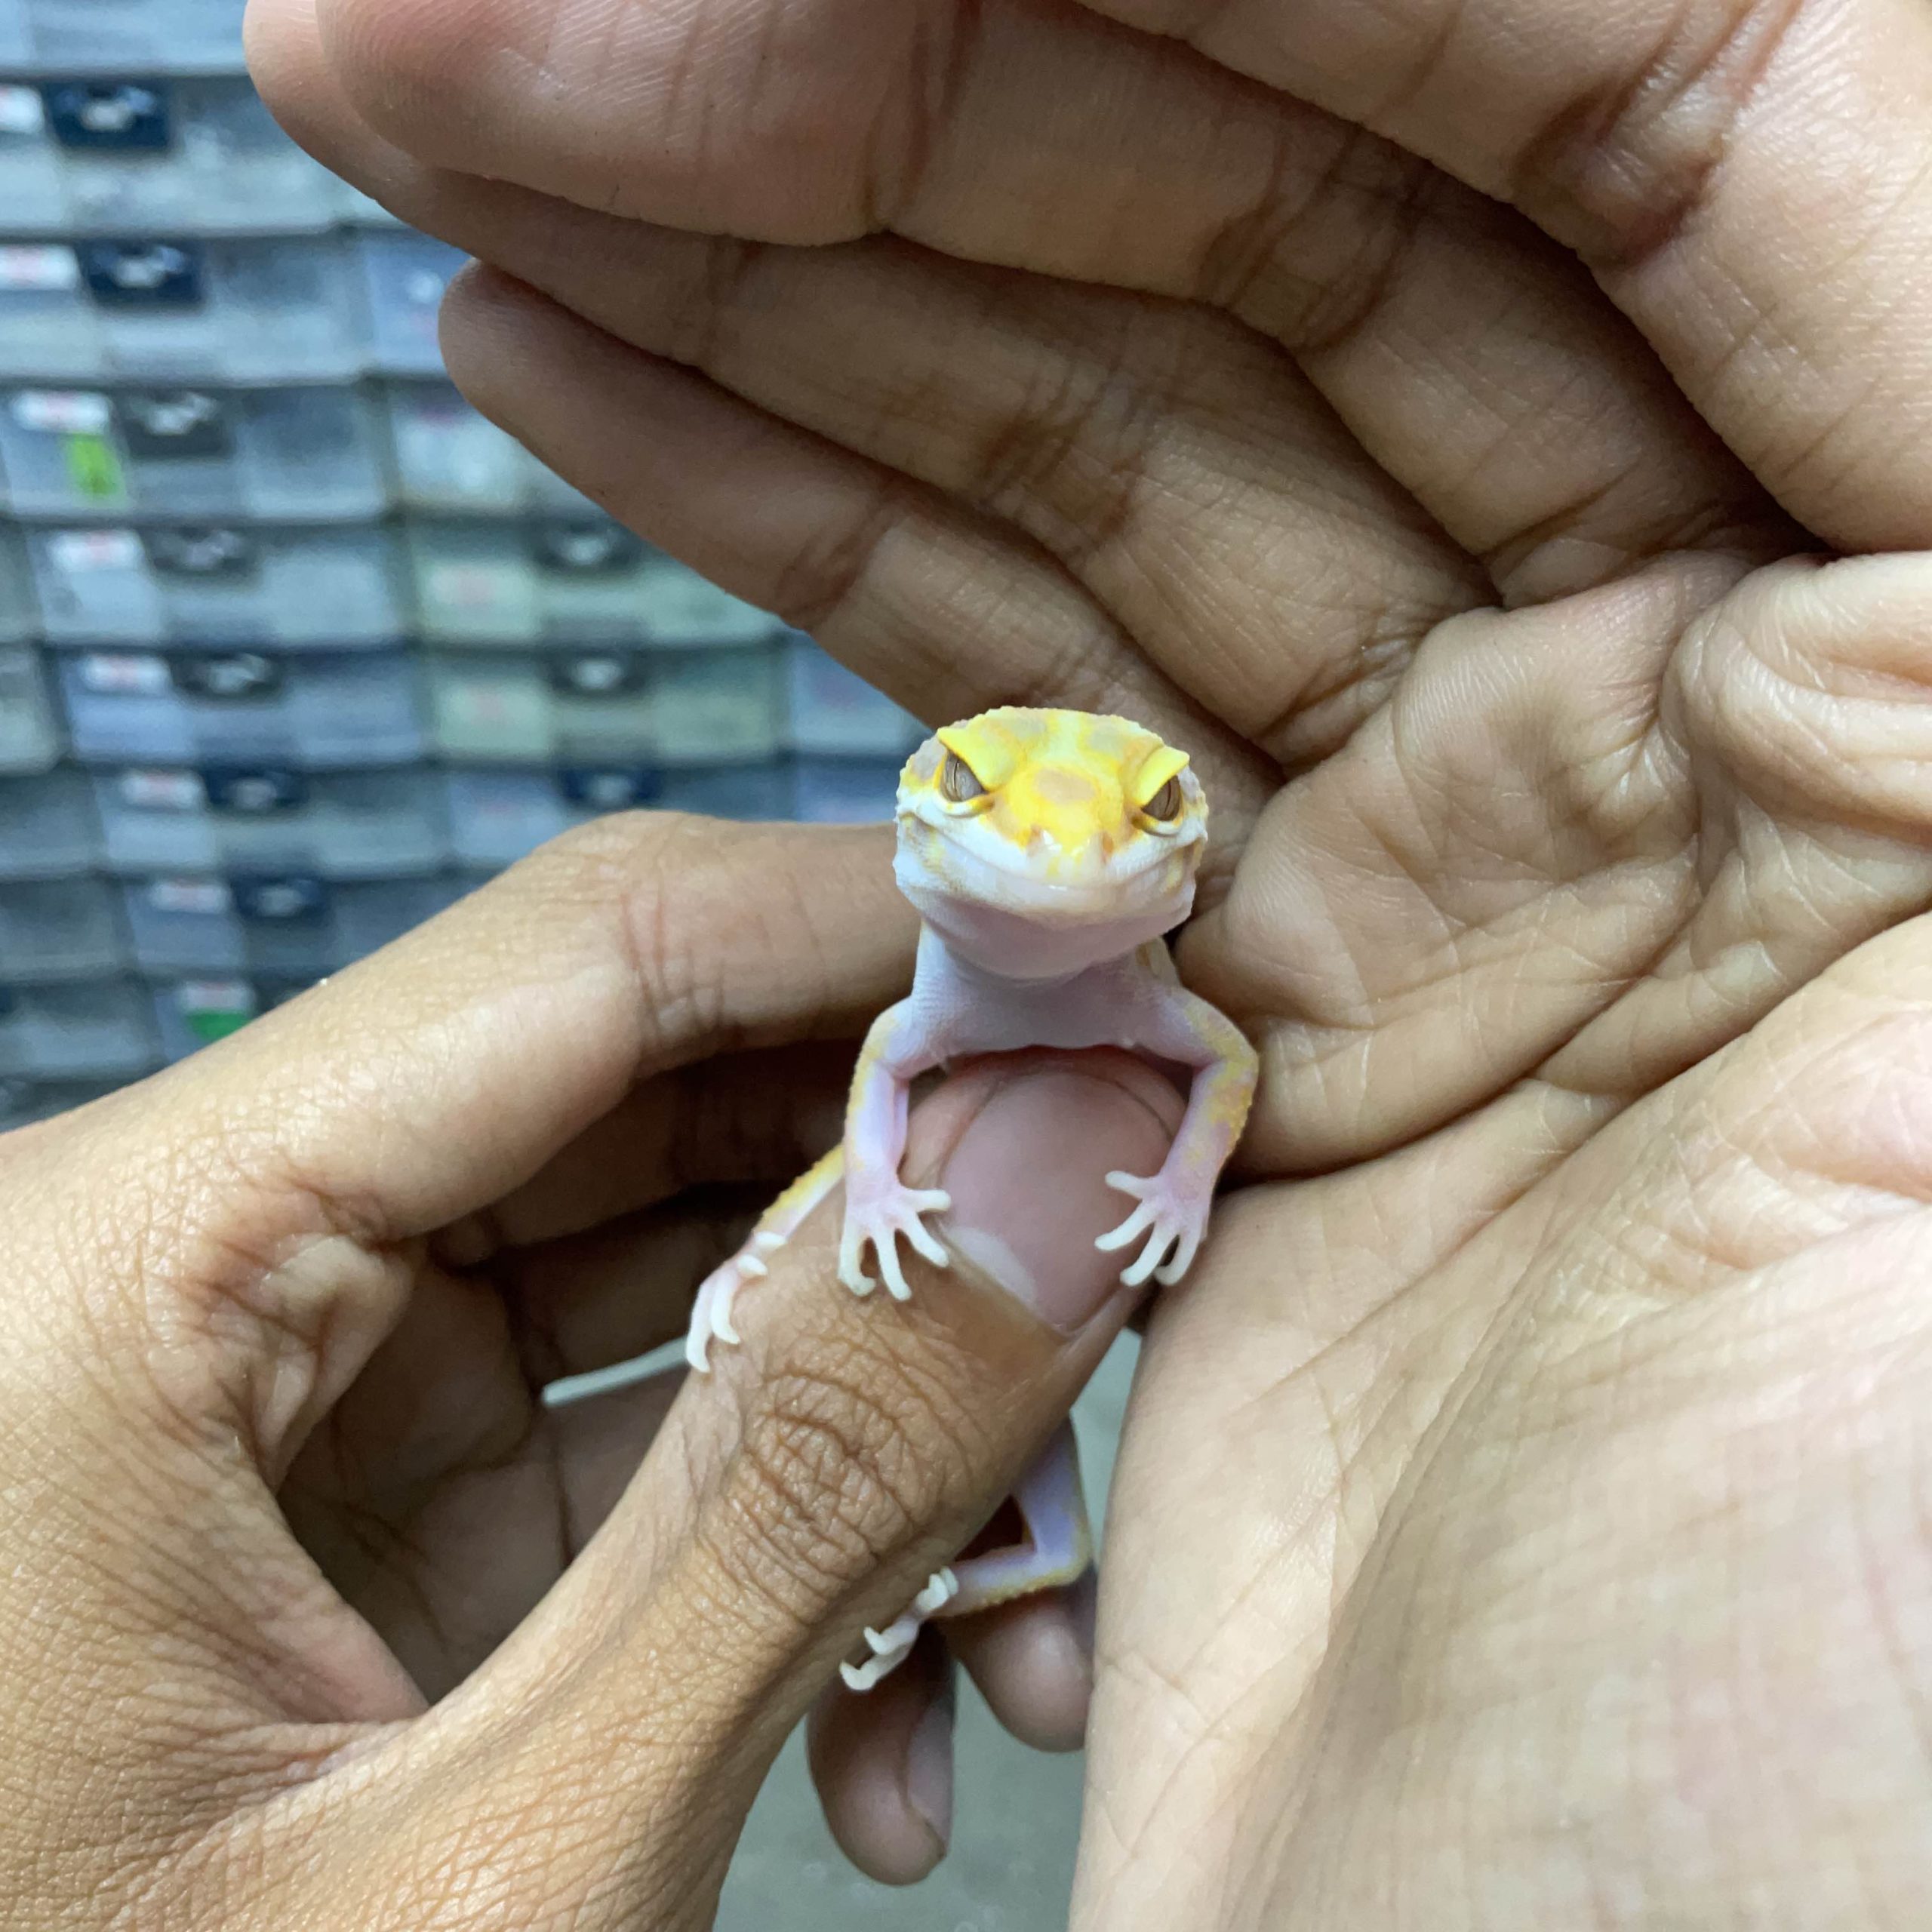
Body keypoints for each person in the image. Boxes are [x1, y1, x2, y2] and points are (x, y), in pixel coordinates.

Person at [6, 0, 1931, 1916]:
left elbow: (1192, 1070)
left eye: (1140, 819)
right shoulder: (970, 1000)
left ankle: (947, 1549)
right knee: (930, 1408)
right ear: (921, 827)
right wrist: (866, 1231)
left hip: (1211, 1257)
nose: (1057, 855)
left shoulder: (1137, 997)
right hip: (1075, 1250)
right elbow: (906, 1075)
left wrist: (1155, 1189)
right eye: (976, 801)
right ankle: (920, 1533)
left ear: (1175, 865)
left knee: (1033, 1527)